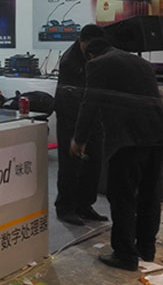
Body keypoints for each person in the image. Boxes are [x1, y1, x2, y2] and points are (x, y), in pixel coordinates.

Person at [71, 38, 163, 271]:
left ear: (91, 54)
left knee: (122, 196)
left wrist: (79, 139)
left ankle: (125, 255)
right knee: (150, 195)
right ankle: (146, 249)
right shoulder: (140, 62)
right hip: (158, 135)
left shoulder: (97, 64)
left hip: (128, 141)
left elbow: (90, 102)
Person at [54, 24, 107, 226]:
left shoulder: (96, 54)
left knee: (94, 164)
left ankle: (85, 205)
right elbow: (72, 99)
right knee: (70, 165)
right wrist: (78, 135)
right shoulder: (70, 61)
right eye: (89, 45)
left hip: (92, 116)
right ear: (80, 41)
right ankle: (65, 207)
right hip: (71, 118)